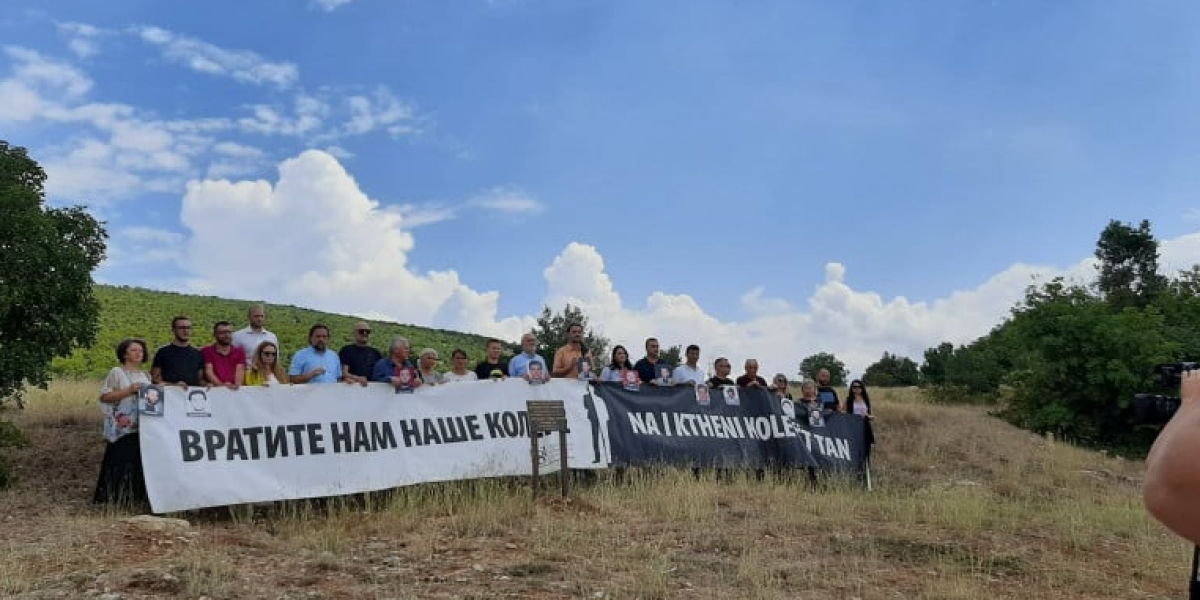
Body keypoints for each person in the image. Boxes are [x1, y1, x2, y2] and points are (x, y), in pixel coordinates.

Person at [94, 338, 151, 506]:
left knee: (137, 462)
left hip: (142, 427)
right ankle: (112, 499)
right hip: (121, 427)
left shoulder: (146, 375)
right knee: (119, 460)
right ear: (124, 353)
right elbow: (105, 397)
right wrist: (129, 390)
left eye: (140, 350)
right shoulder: (117, 372)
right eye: (134, 350)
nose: (138, 353)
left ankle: (135, 499)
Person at [151, 315, 205, 388]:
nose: (185, 331)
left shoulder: (197, 353)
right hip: (170, 396)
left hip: (192, 396)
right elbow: (155, 378)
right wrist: (174, 386)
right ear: (173, 330)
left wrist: (208, 385)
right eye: (181, 328)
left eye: (188, 328)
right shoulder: (163, 352)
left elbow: (200, 379)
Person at [203, 321, 246, 389]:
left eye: (229, 332)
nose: (227, 335)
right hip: (215, 390)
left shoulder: (239, 352)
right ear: (214, 334)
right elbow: (209, 371)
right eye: (222, 332)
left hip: (234, 390)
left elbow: (240, 371)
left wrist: (236, 385)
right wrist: (222, 387)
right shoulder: (207, 351)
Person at [339, 321, 381, 386]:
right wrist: (357, 378)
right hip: (353, 389)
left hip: (372, 390)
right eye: (361, 331)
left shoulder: (376, 353)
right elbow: (344, 373)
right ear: (354, 333)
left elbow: (379, 373)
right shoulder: (346, 350)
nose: (365, 333)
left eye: (368, 331)